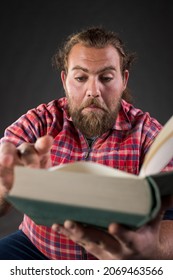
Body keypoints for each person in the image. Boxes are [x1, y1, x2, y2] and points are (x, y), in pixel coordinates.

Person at [0, 26, 173, 260]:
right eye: (81, 78)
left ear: (124, 80)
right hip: (37, 250)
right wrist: (5, 185)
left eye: (107, 78)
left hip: (117, 260)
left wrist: (153, 249)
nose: (93, 91)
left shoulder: (147, 132)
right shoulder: (40, 121)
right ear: (65, 80)